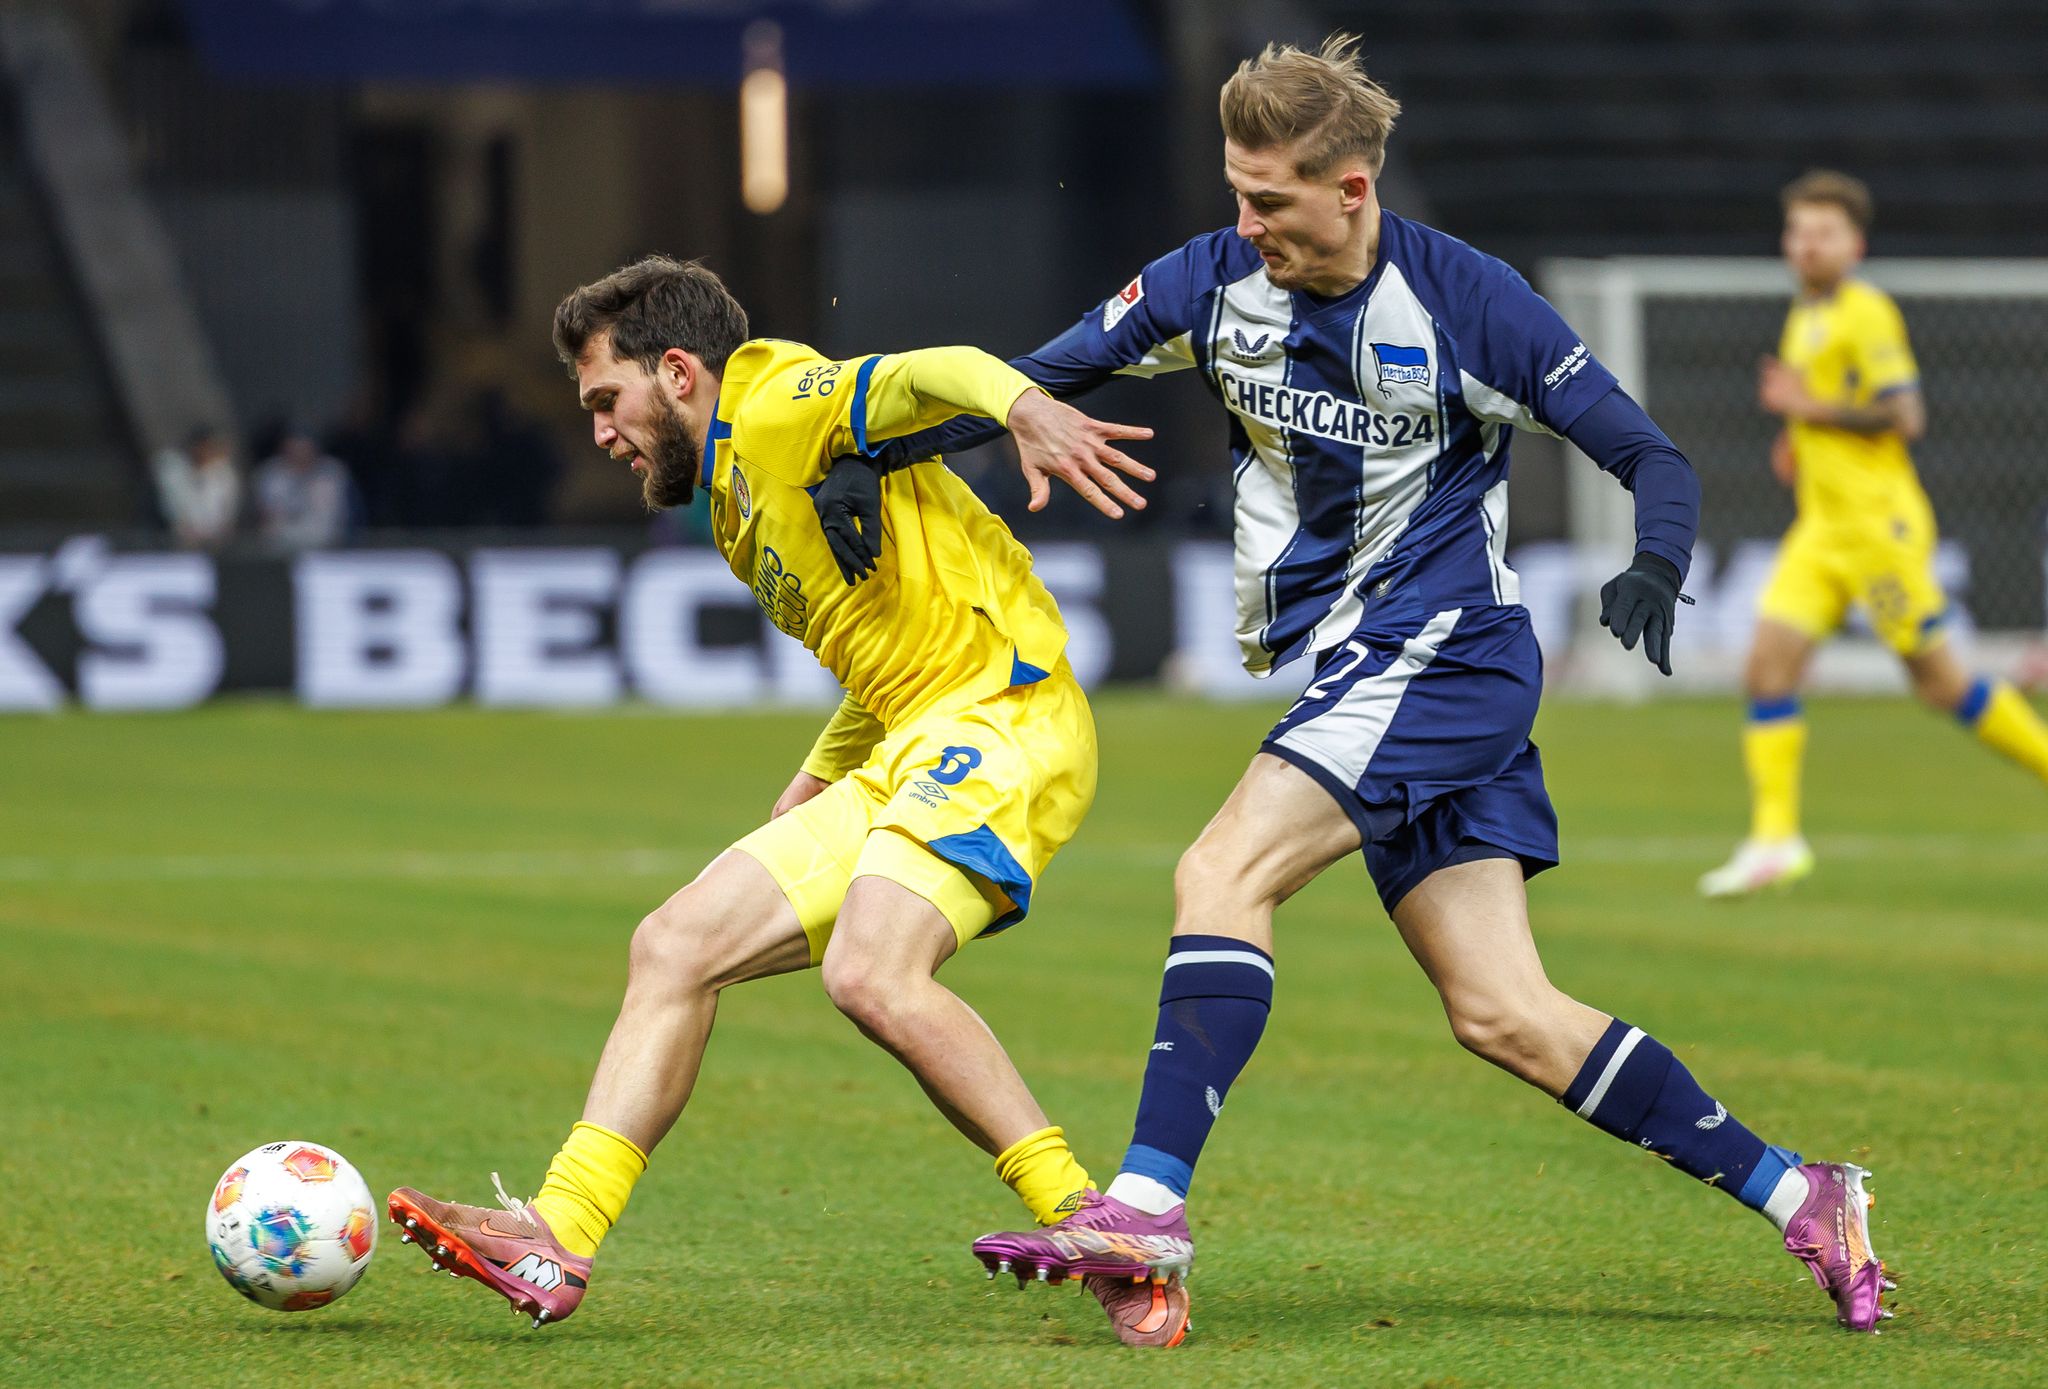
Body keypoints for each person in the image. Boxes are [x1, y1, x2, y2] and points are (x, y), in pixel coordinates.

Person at [817, 37, 1894, 1342]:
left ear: (1354, 186)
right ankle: (1806, 1194)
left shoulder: (1470, 301)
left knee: (1221, 872)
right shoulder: (1207, 285)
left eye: (1271, 200)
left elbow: (1649, 455)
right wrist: (871, 453)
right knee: (1506, 1013)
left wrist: (1656, 566)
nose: (1246, 223)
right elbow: (1035, 380)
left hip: (1444, 653)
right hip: (1389, 674)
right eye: (1235, 193)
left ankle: (1144, 1204)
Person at [385, 254, 1188, 1344]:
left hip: (1007, 717)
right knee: (674, 943)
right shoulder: (726, 501)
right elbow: (879, 660)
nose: (598, 433)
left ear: (678, 372)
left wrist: (1028, 411)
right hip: (909, 740)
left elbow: (935, 369)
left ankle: (1097, 1228)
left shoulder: (770, 401)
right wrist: (812, 783)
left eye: (604, 400)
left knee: (869, 968)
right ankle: (557, 1233)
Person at [1698, 170, 2048, 897]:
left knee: (1943, 685)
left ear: (1854, 244)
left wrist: (1809, 409)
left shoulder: (1866, 312)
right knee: (1767, 667)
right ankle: (1774, 841)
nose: (1806, 246)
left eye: (1822, 233)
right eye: (1796, 232)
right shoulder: (1806, 315)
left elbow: (1904, 415)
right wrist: (1798, 436)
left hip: (1877, 532)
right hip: (1822, 531)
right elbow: (1824, 407)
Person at [252, 425, 353, 550]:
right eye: (294, 447)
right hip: (279, 550)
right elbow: (270, 522)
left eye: (304, 447)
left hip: (326, 548)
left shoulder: (332, 471)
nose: (299, 452)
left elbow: (332, 521)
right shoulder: (270, 473)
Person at [151, 424, 240, 549]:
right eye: (209, 448)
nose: (212, 454)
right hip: (175, 540)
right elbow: (171, 509)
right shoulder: (170, 466)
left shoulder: (224, 472)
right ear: (197, 447)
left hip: (215, 541)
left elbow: (227, 511)